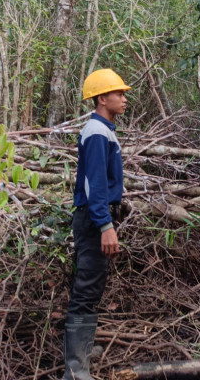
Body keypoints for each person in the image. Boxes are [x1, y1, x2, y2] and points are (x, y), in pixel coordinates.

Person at [60, 69, 131, 380]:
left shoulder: (103, 129)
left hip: (96, 217)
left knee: (93, 284)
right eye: (119, 94)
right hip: (93, 220)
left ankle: (83, 351)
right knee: (87, 288)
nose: (125, 99)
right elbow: (95, 184)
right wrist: (105, 225)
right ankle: (75, 369)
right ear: (103, 99)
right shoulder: (97, 132)